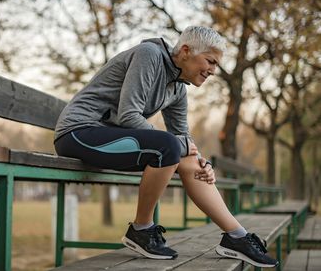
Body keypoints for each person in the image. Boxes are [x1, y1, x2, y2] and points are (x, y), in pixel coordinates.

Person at [54, 26, 278, 268]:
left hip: (112, 139)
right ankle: (141, 229)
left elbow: (183, 136)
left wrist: (203, 162)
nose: (213, 70)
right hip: (78, 133)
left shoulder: (178, 88)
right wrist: (179, 144)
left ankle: (237, 237)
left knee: (186, 156)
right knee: (169, 147)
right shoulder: (148, 54)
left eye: (216, 65)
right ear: (185, 51)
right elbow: (128, 115)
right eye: (210, 61)